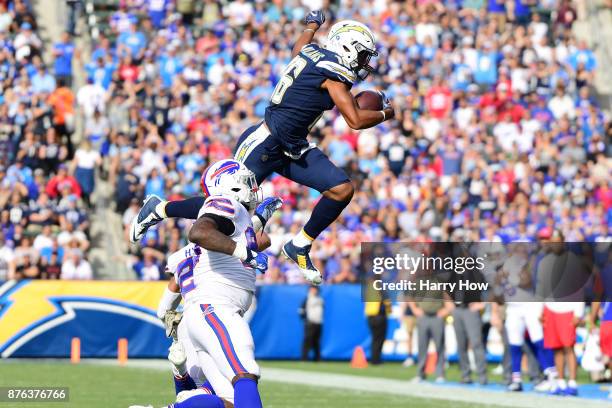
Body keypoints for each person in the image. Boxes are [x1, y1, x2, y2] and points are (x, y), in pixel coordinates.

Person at [128, 11, 395, 286]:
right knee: (225, 207)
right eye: (363, 55)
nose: (365, 62)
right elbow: (355, 119)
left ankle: (300, 245)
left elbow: (299, 47)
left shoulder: (313, 52)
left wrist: (311, 26)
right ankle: (160, 209)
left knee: (341, 189)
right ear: (347, 48)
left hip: (293, 146)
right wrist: (388, 113)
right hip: (264, 142)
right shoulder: (335, 72)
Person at [299, 286, 324, 361]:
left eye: (315, 289)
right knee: (307, 341)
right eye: (312, 289)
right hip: (310, 323)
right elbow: (301, 311)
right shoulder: (307, 299)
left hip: (319, 322)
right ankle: (304, 358)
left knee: (316, 341)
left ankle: (317, 358)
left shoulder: (320, 299)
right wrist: (305, 320)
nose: (314, 291)